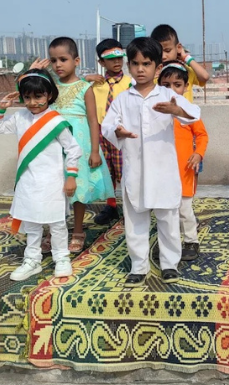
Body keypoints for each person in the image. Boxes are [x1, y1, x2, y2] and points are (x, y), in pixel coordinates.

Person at [101, 37, 201, 286]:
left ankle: (169, 264)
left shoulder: (168, 95)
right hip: (135, 170)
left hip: (164, 171)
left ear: (157, 67)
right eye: (135, 64)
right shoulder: (124, 99)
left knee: (168, 218)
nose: (140, 69)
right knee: (135, 219)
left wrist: (177, 112)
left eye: (146, 63)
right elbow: (107, 125)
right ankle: (139, 265)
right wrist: (119, 132)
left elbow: (194, 114)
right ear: (128, 66)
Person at [0, 70, 81, 281]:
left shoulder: (55, 121)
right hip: (28, 181)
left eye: (38, 96)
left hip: (53, 181)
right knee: (31, 224)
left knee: (56, 223)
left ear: (49, 95)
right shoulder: (20, 117)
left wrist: (71, 176)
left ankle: (62, 258)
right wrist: (0, 109)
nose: (33, 102)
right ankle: (32, 260)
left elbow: (74, 150)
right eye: (28, 97)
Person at [31, 37, 115, 253]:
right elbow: (27, 95)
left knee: (77, 189)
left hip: (80, 146)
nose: (58, 64)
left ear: (76, 60)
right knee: (54, 190)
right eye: (53, 60)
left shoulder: (85, 88)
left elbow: (92, 120)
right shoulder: (49, 88)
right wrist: (31, 72)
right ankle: (53, 232)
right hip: (54, 147)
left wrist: (95, 150)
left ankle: (78, 230)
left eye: (63, 59)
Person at [158, 60, 209, 261]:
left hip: (184, 169)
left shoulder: (189, 110)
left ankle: (191, 241)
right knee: (164, 211)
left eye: (177, 85)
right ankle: (168, 244)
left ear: (185, 87)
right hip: (162, 170)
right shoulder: (155, 109)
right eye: (165, 85)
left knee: (184, 210)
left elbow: (202, 135)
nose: (171, 89)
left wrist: (198, 154)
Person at [84, 39, 132, 225]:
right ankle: (110, 206)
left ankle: (131, 207)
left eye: (119, 57)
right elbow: (69, 89)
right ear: (101, 63)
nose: (116, 62)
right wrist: (85, 79)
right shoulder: (94, 85)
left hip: (120, 133)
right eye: (111, 59)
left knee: (124, 171)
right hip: (101, 134)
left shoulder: (130, 83)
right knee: (106, 172)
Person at [150, 24, 209, 102]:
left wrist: (186, 58)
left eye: (167, 51)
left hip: (184, 114)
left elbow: (204, 77)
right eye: (159, 52)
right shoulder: (154, 73)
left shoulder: (185, 70)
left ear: (178, 48)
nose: (163, 56)